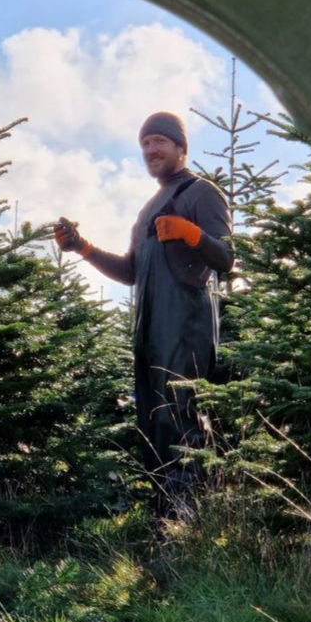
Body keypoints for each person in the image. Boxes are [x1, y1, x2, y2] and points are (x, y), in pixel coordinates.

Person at [54, 111, 233, 517]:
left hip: (186, 323)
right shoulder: (148, 209)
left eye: (159, 141)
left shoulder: (201, 192)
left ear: (181, 147)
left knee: (181, 416)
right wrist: (82, 247)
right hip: (150, 328)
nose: (151, 149)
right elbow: (131, 271)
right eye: (145, 143)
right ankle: (164, 519)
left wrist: (191, 234)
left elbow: (225, 256)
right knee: (153, 421)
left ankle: (187, 520)